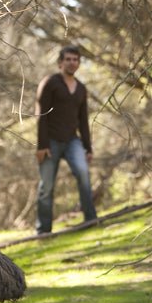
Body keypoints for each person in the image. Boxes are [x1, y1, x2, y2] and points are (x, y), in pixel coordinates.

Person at [35, 45, 98, 234]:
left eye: (75, 60)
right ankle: (44, 231)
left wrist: (88, 148)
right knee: (46, 186)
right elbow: (41, 115)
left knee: (83, 174)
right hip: (50, 141)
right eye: (68, 59)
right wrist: (42, 145)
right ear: (60, 63)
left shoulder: (81, 89)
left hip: (72, 141)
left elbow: (83, 120)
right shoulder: (50, 83)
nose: (72, 63)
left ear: (79, 63)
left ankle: (90, 221)